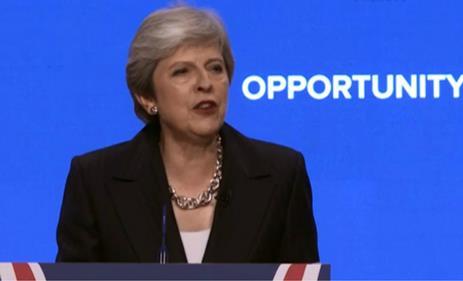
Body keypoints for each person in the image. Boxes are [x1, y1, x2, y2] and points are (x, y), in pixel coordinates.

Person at [56, 5, 319, 263]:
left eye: (215, 68)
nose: (205, 83)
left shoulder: (282, 174)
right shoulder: (95, 180)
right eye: (182, 71)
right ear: (146, 96)